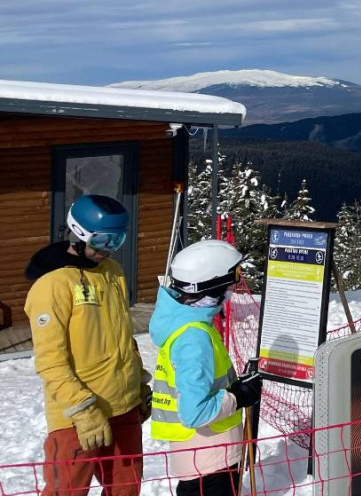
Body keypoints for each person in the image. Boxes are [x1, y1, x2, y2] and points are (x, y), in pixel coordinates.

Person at [24, 194, 148, 496]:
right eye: (103, 240)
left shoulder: (112, 272)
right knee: (67, 491)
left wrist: (138, 384)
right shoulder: (52, 284)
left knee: (126, 489)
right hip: (76, 414)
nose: (109, 249)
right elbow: (50, 361)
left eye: (117, 240)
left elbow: (122, 337)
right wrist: (82, 410)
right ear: (79, 233)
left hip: (123, 406)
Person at [149, 239, 263, 496]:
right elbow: (195, 413)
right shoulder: (194, 338)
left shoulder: (183, 323)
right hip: (210, 464)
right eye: (227, 288)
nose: (230, 294)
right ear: (211, 290)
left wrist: (235, 387)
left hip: (200, 460)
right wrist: (238, 396)